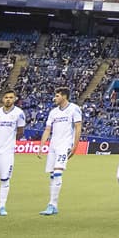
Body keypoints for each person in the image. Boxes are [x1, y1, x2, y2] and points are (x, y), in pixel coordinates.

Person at [38, 87, 83, 216]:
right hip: (53, 145)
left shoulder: (74, 109)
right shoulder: (53, 112)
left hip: (65, 144)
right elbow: (47, 129)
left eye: (57, 96)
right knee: (52, 175)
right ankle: (54, 205)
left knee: (57, 172)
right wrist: (42, 145)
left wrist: (75, 145)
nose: (55, 98)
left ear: (64, 96)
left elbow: (78, 127)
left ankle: (51, 204)